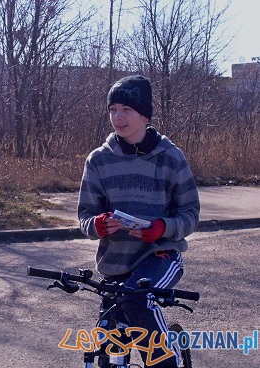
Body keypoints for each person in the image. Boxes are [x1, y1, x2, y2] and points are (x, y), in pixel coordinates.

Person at [77, 75, 200, 368]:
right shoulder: (98, 161)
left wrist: (162, 228)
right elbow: (84, 217)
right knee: (106, 344)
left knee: (138, 300)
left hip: (160, 256)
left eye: (126, 109)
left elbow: (190, 214)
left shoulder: (170, 158)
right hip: (114, 265)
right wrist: (98, 225)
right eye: (112, 109)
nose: (117, 117)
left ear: (144, 114)